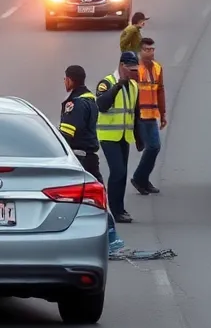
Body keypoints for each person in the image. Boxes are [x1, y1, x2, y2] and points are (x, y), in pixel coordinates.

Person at [60, 65, 123, 252]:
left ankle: (108, 238)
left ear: (70, 80)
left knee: (73, 199)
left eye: (65, 79)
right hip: (89, 157)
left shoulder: (75, 103)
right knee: (97, 198)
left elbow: (67, 134)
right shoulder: (90, 100)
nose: (64, 82)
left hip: (79, 158)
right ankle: (110, 237)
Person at [96, 52, 143, 224]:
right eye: (130, 69)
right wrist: (117, 86)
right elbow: (101, 105)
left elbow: (135, 113)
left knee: (122, 174)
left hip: (124, 136)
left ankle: (120, 209)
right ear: (122, 66)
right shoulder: (106, 83)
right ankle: (114, 210)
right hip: (108, 136)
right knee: (118, 171)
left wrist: (139, 137)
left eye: (135, 69)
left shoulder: (134, 86)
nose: (133, 72)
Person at [131, 37, 167, 196]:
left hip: (151, 114)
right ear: (140, 51)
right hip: (140, 114)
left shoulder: (158, 68)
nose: (150, 52)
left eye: (152, 49)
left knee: (154, 147)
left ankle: (143, 179)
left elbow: (160, 90)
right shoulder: (136, 69)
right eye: (147, 49)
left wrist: (163, 113)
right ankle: (139, 178)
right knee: (152, 147)